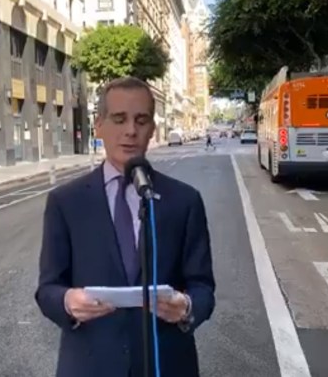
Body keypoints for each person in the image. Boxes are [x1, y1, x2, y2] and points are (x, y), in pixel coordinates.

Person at [35, 76, 216, 377]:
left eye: (141, 120)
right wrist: (68, 302)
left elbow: (203, 287)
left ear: (152, 130)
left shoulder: (184, 201)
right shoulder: (65, 202)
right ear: (99, 126)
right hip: (90, 365)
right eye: (119, 119)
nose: (130, 131)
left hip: (167, 365)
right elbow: (47, 288)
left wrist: (186, 306)